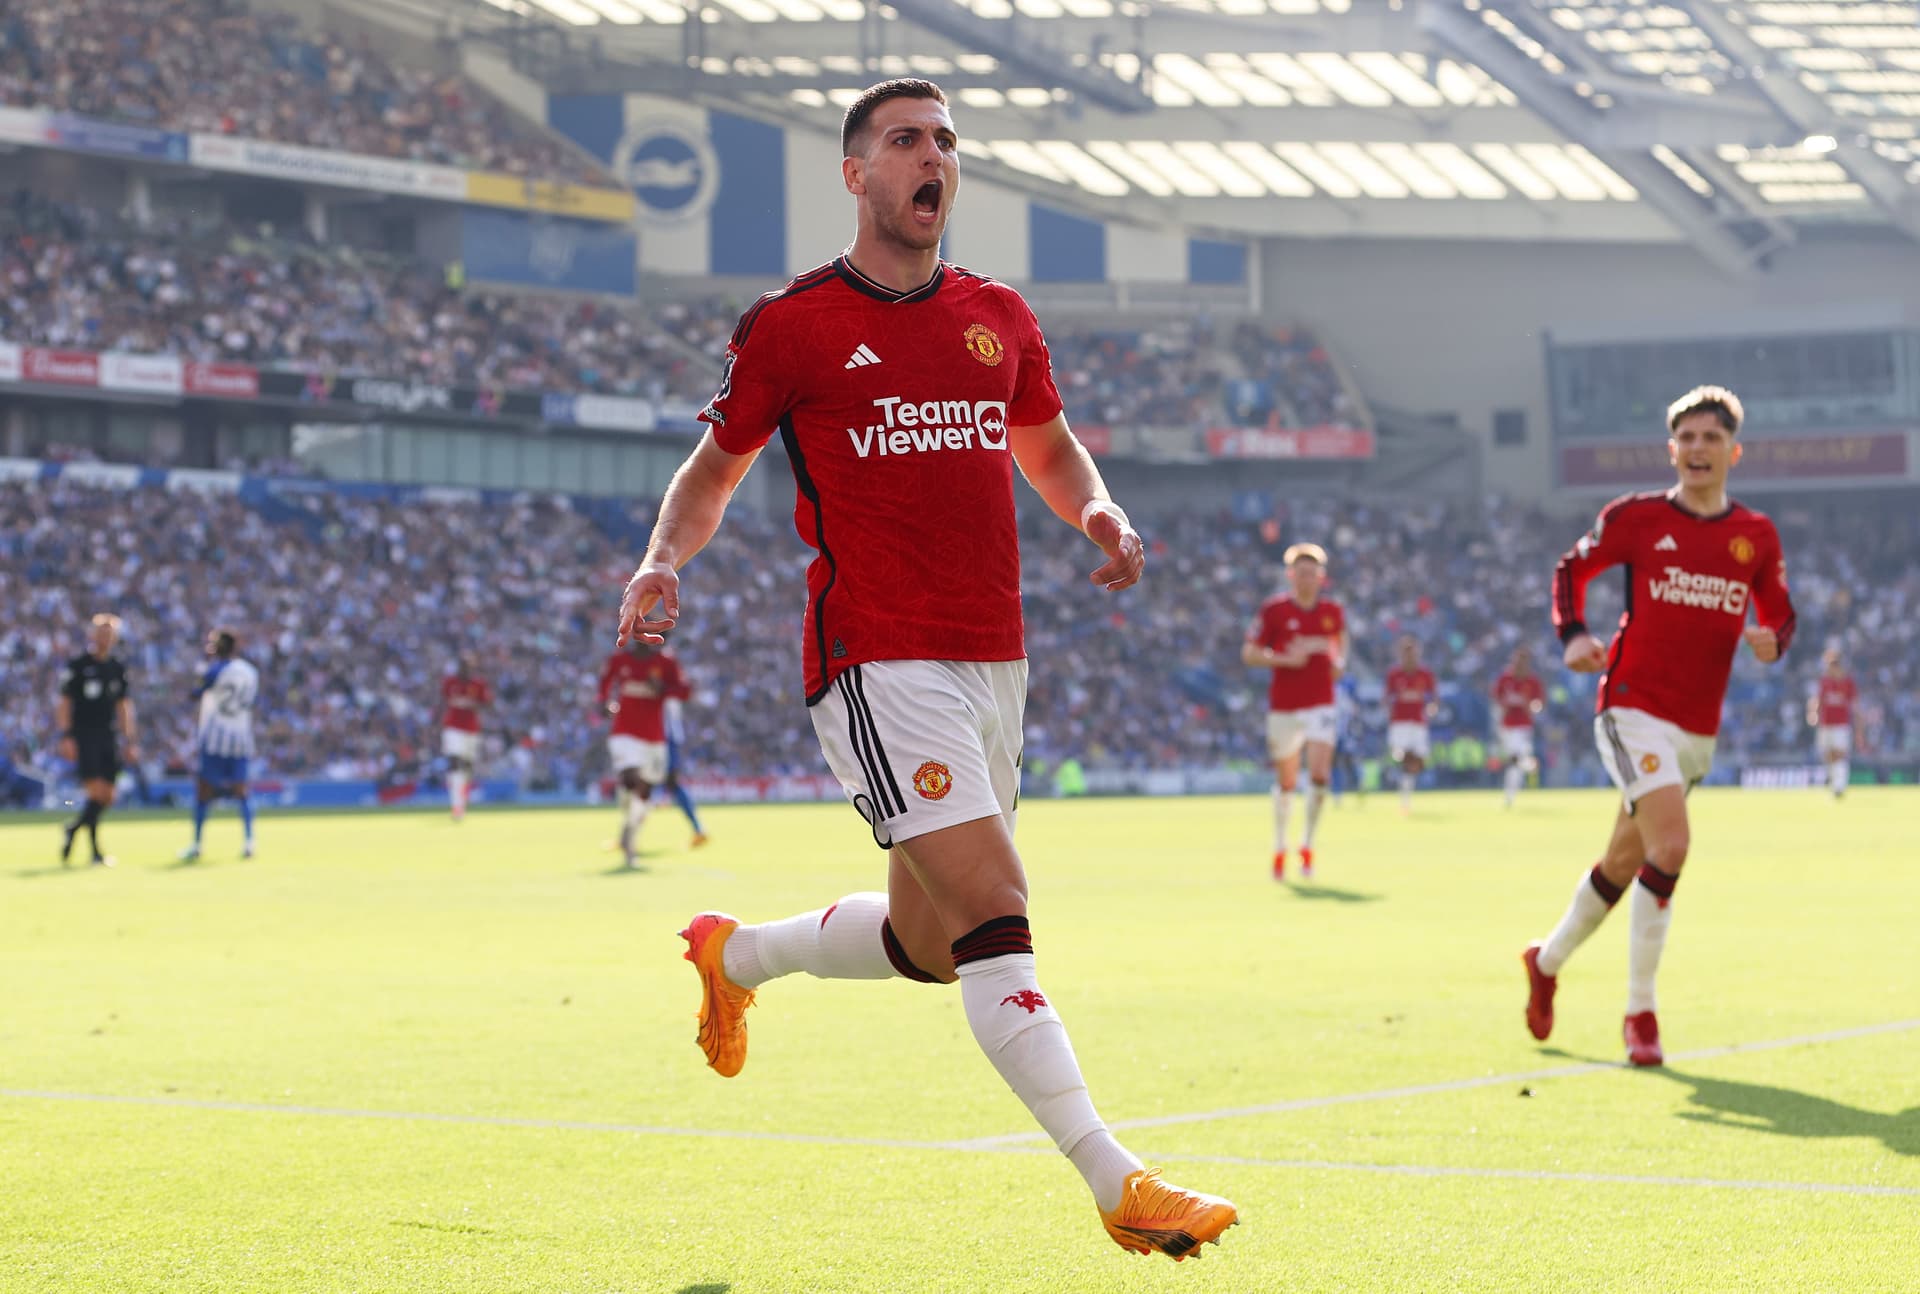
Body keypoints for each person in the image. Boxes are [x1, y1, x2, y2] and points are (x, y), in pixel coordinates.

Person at [617, 79, 1236, 1260]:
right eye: (905, 139)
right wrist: (659, 558)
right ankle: (1116, 1179)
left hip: (992, 658)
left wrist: (1097, 513)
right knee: (998, 907)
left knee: (932, 942)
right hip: (876, 653)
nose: (931, 156)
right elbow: (714, 469)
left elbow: (1047, 447)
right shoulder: (793, 324)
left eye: (945, 140)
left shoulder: (996, 312)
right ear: (856, 175)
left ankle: (733, 954)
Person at [1524, 385, 1795, 1067]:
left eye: (1712, 439)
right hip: (1630, 706)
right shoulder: (1636, 518)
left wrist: (1773, 638)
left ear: (1734, 452)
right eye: (1688, 439)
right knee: (1670, 846)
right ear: (1671, 449)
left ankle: (1546, 961)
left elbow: (1781, 612)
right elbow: (1570, 569)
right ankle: (1640, 1014)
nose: (1698, 450)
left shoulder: (1755, 537)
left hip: (1696, 728)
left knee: (1627, 858)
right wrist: (1573, 635)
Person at [1243, 542, 1347, 881]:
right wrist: (1285, 659)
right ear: (1291, 576)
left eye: (1313, 573)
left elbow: (1340, 643)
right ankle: (1279, 845)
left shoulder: (1332, 611)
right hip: (1285, 705)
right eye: (1301, 572)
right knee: (1286, 781)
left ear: (1321, 577)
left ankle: (1307, 844)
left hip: (1321, 701)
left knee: (1319, 775)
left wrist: (1339, 662)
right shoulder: (1274, 611)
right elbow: (1250, 652)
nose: (1307, 578)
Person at [597, 637, 690, 868]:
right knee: (630, 779)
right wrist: (604, 702)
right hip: (624, 733)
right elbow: (604, 684)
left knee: (644, 791)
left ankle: (629, 833)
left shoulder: (665, 663)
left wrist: (664, 689)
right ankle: (628, 836)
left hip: (654, 739)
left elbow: (684, 691)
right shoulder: (620, 660)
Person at [57, 613, 137, 867]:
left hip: (108, 735)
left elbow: (123, 706)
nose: (105, 637)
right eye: (101, 632)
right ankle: (95, 852)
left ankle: (73, 828)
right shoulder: (78, 665)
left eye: (109, 633)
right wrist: (67, 736)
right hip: (84, 734)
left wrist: (130, 740)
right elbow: (65, 703)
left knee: (108, 796)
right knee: (96, 791)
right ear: (93, 635)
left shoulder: (117, 667)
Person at [179, 629, 260, 862]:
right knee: (242, 792)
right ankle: (249, 841)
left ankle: (196, 843)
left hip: (215, 739)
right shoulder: (250, 671)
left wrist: (200, 673)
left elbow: (195, 693)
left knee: (203, 792)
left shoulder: (215, 669)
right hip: (241, 738)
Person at [1383, 635, 1436, 815]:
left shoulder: (1425, 674)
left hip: (1418, 723)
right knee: (1402, 755)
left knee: (1417, 760)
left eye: (1412, 653)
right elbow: (1386, 697)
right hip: (1400, 723)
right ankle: (1397, 765)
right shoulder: (1394, 674)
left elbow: (1433, 697)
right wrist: (1388, 709)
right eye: (1406, 653)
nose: (1410, 657)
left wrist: (1432, 707)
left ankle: (1404, 791)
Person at [1492, 646, 1546, 808]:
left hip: (1523, 725)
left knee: (1514, 759)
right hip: (1507, 725)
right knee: (1514, 761)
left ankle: (1509, 796)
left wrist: (1531, 707)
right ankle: (1529, 764)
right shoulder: (1504, 680)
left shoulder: (1532, 681)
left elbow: (1539, 703)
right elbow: (1496, 700)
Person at [440, 656, 491, 822]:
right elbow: (444, 700)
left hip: (471, 730)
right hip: (453, 728)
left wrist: (471, 704)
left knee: (467, 768)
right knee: (455, 762)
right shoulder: (450, 682)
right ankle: (457, 805)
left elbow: (487, 703)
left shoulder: (478, 684)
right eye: (463, 666)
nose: (466, 670)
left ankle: (462, 800)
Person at [662, 693, 710, 847]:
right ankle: (698, 828)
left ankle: (698, 828)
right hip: (667, 738)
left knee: (667, 783)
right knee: (671, 784)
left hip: (661, 738)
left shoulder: (661, 678)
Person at [1808, 646, 1856, 799]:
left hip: (1841, 724)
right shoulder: (1824, 682)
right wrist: (1813, 713)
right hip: (1826, 724)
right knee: (1827, 754)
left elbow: (1855, 705)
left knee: (1839, 754)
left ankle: (1839, 786)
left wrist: (1860, 728)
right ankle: (1832, 778)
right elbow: (1817, 700)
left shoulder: (1848, 682)